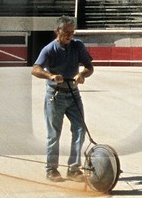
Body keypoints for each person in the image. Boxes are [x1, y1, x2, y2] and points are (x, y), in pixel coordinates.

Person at [30, 16, 94, 181]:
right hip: (55, 95)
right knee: (54, 134)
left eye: (72, 32)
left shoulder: (78, 45)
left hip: (73, 93)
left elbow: (89, 67)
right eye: (66, 32)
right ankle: (51, 169)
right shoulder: (49, 49)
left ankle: (73, 169)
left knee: (80, 130)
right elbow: (35, 69)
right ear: (57, 31)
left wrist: (82, 74)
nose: (70, 35)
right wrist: (50, 76)